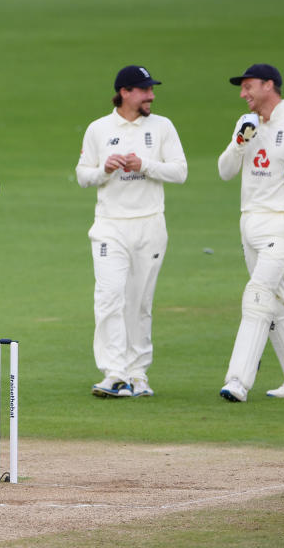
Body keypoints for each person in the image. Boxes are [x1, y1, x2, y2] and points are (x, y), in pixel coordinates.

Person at [217, 64, 284, 402]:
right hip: (249, 223)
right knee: (274, 303)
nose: (242, 94)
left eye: (248, 86)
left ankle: (238, 381)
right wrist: (240, 142)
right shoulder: (245, 124)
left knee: (256, 296)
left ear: (269, 85)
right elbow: (225, 172)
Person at [75, 65, 188, 398]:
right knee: (109, 297)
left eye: (151, 90)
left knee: (139, 302)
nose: (151, 95)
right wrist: (104, 169)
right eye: (144, 90)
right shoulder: (99, 129)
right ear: (125, 92)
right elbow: (83, 175)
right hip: (110, 225)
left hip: (150, 225)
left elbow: (180, 172)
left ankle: (138, 374)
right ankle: (114, 372)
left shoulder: (162, 127)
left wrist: (145, 166)